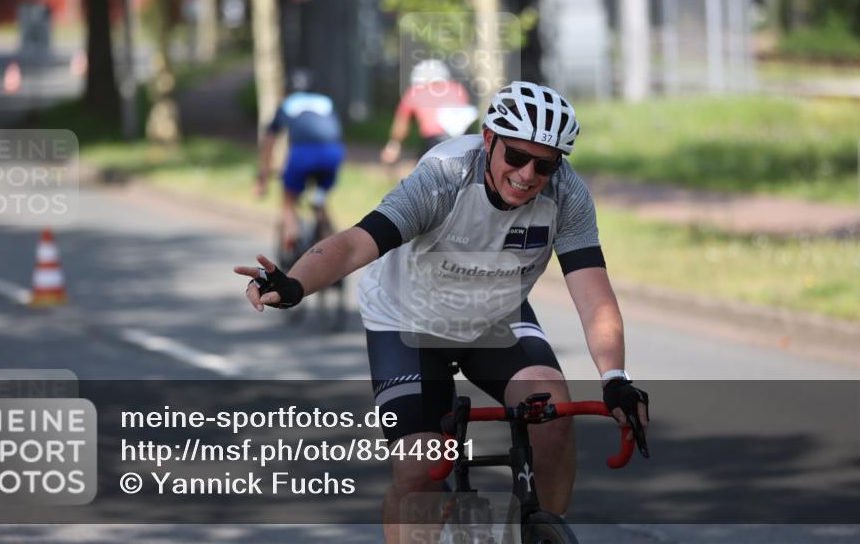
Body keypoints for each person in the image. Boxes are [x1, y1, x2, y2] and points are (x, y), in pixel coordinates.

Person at [237, 81, 649, 543]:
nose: (529, 173)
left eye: (545, 163)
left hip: (495, 314)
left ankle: (539, 532)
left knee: (553, 414)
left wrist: (615, 377)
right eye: (516, 156)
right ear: (489, 139)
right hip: (408, 322)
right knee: (420, 471)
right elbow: (356, 242)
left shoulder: (567, 196)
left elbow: (594, 295)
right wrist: (295, 283)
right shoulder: (444, 178)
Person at [255, 69, 345, 257]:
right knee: (319, 200)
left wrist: (263, 176)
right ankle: (330, 243)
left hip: (302, 153)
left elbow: (270, 140)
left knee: (288, 200)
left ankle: (291, 243)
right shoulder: (326, 102)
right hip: (332, 153)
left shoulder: (287, 104)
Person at [380, 59, 474, 165]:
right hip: (463, 140)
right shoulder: (457, 89)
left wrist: (394, 145)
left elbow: (401, 126)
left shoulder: (415, 93)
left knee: (423, 173)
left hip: (434, 140)